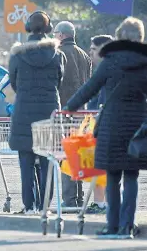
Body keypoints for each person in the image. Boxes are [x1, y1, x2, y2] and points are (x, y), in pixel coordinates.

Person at [64, 17, 147, 238]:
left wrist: (69, 107)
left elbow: (90, 87)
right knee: (131, 176)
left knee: (112, 176)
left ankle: (112, 225)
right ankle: (126, 226)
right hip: (137, 127)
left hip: (112, 124)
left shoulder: (110, 61)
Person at [9, 11, 65, 215]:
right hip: (48, 111)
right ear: (49, 30)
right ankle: (44, 207)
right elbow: (59, 81)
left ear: (27, 27)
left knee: (25, 160)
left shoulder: (17, 54)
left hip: (24, 111)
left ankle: (29, 205)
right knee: (46, 161)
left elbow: (13, 83)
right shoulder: (57, 54)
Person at [53, 21, 92, 209]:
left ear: (61, 35)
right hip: (82, 112)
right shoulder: (85, 55)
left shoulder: (59, 54)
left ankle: (69, 199)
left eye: (55, 33)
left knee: (66, 154)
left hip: (65, 110)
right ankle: (78, 196)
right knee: (77, 154)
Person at [86, 35, 114, 215]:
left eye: (93, 49)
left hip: (105, 124)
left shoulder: (108, 71)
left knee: (102, 165)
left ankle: (103, 203)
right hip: (100, 123)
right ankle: (101, 202)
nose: (90, 52)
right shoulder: (102, 70)